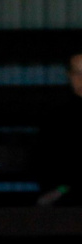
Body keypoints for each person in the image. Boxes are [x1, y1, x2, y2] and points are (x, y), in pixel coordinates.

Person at [33, 47, 82, 209]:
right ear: (69, 76)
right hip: (68, 196)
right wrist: (62, 188)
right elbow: (45, 161)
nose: (81, 79)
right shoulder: (57, 118)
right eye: (77, 73)